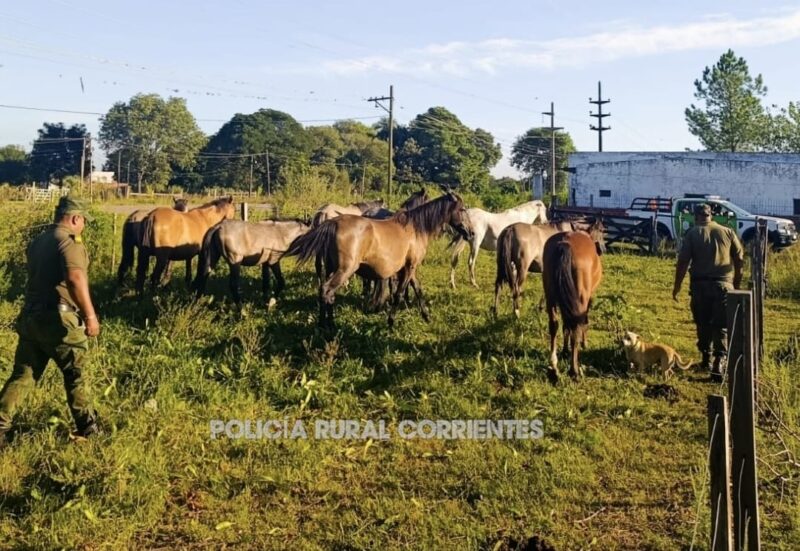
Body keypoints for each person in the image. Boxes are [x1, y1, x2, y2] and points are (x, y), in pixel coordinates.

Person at [0, 196, 101, 447]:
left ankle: (0, 424)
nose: (83, 227)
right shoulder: (69, 242)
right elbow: (75, 279)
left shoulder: (38, 241)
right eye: (83, 222)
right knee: (76, 374)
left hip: (32, 317)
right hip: (59, 320)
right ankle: (88, 428)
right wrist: (90, 315)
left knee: (23, 375)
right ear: (76, 219)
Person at [672, 203, 744, 382]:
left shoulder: (693, 234)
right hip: (723, 285)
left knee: (702, 322)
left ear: (696, 216)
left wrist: (677, 286)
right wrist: (736, 283)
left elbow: (683, 262)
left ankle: (706, 358)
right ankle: (719, 361)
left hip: (700, 286)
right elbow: (739, 258)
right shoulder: (727, 232)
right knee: (721, 324)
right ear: (711, 216)